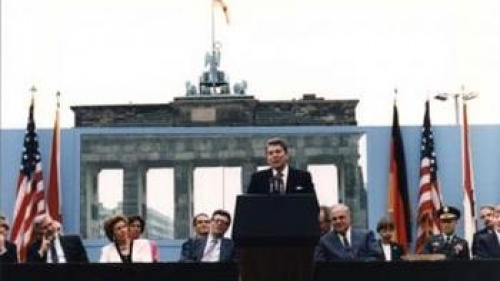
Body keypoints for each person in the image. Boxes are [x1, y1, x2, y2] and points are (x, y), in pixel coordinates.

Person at [314, 203, 382, 261]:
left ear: (349, 217)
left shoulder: (366, 236)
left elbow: (377, 256)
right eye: (334, 219)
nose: (338, 221)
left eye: (341, 217)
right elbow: (320, 265)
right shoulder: (324, 242)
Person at [247, 137, 315, 194]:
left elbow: (312, 206)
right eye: (270, 153)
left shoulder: (303, 177)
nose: (275, 155)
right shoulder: (257, 179)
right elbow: (248, 206)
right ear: (267, 158)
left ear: (287, 155)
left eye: (278, 151)